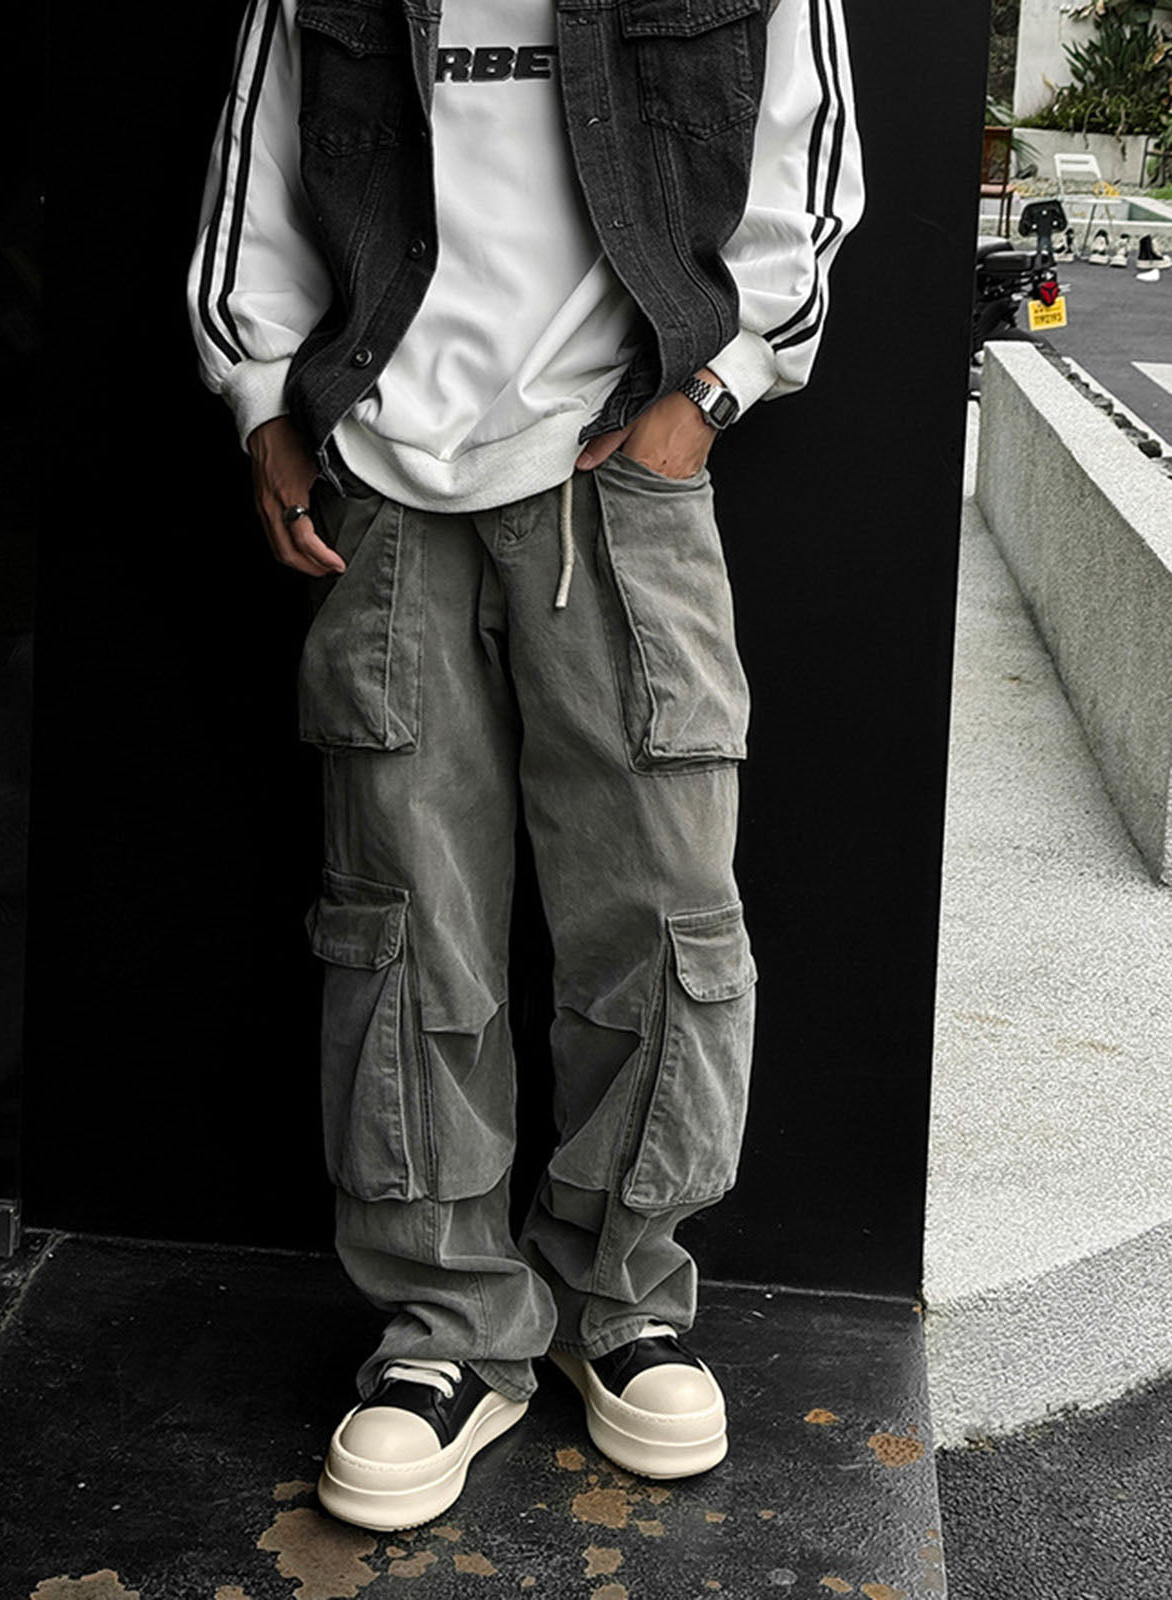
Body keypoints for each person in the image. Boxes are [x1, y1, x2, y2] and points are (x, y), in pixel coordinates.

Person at [187, 0, 863, 1534]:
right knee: (400, 924)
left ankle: (625, 1299)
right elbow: (256, 172)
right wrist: (265, 408)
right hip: (384, 482)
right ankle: (446, 1325)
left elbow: (808, 179)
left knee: (664, 915)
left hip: (619, 469)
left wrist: (710, 395)